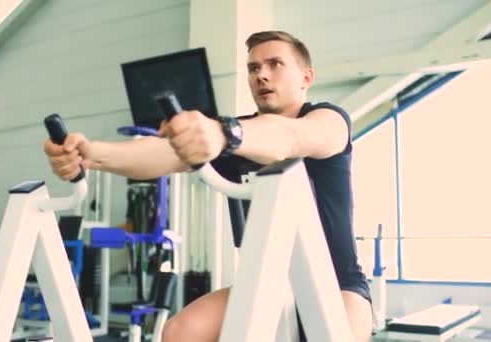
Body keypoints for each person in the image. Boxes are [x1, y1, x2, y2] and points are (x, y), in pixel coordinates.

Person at [44, 30, 372, 341]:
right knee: (179, 333)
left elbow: (289, 138)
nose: (262, 75)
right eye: (254, 67)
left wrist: (224, 133)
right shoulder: (236, 141)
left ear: (306, 78)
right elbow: (162, 153)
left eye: (275, 64)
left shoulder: (328, 120)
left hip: (337, 283)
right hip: (267, 283)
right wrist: (90, 154)